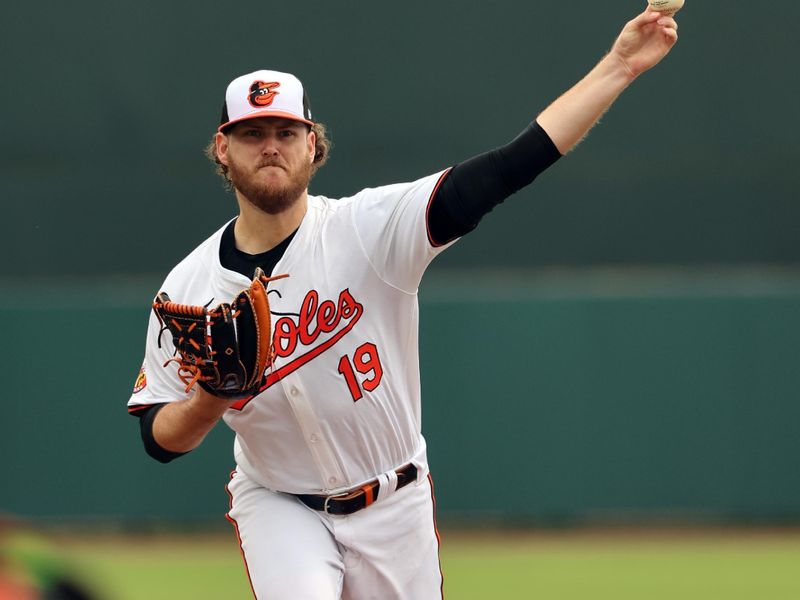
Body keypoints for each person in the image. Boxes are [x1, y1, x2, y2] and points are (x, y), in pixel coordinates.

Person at [128, 7, 679, 599]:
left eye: (286, 132)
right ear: (223, 148)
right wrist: (210, 400)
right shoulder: (185, 288)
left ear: (312, 145)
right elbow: (158, 441)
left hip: (395, 504)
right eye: (252, 134)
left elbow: (509, 167)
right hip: (279, 504)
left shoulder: (370, 229)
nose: (271, 147)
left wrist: (618, 67)